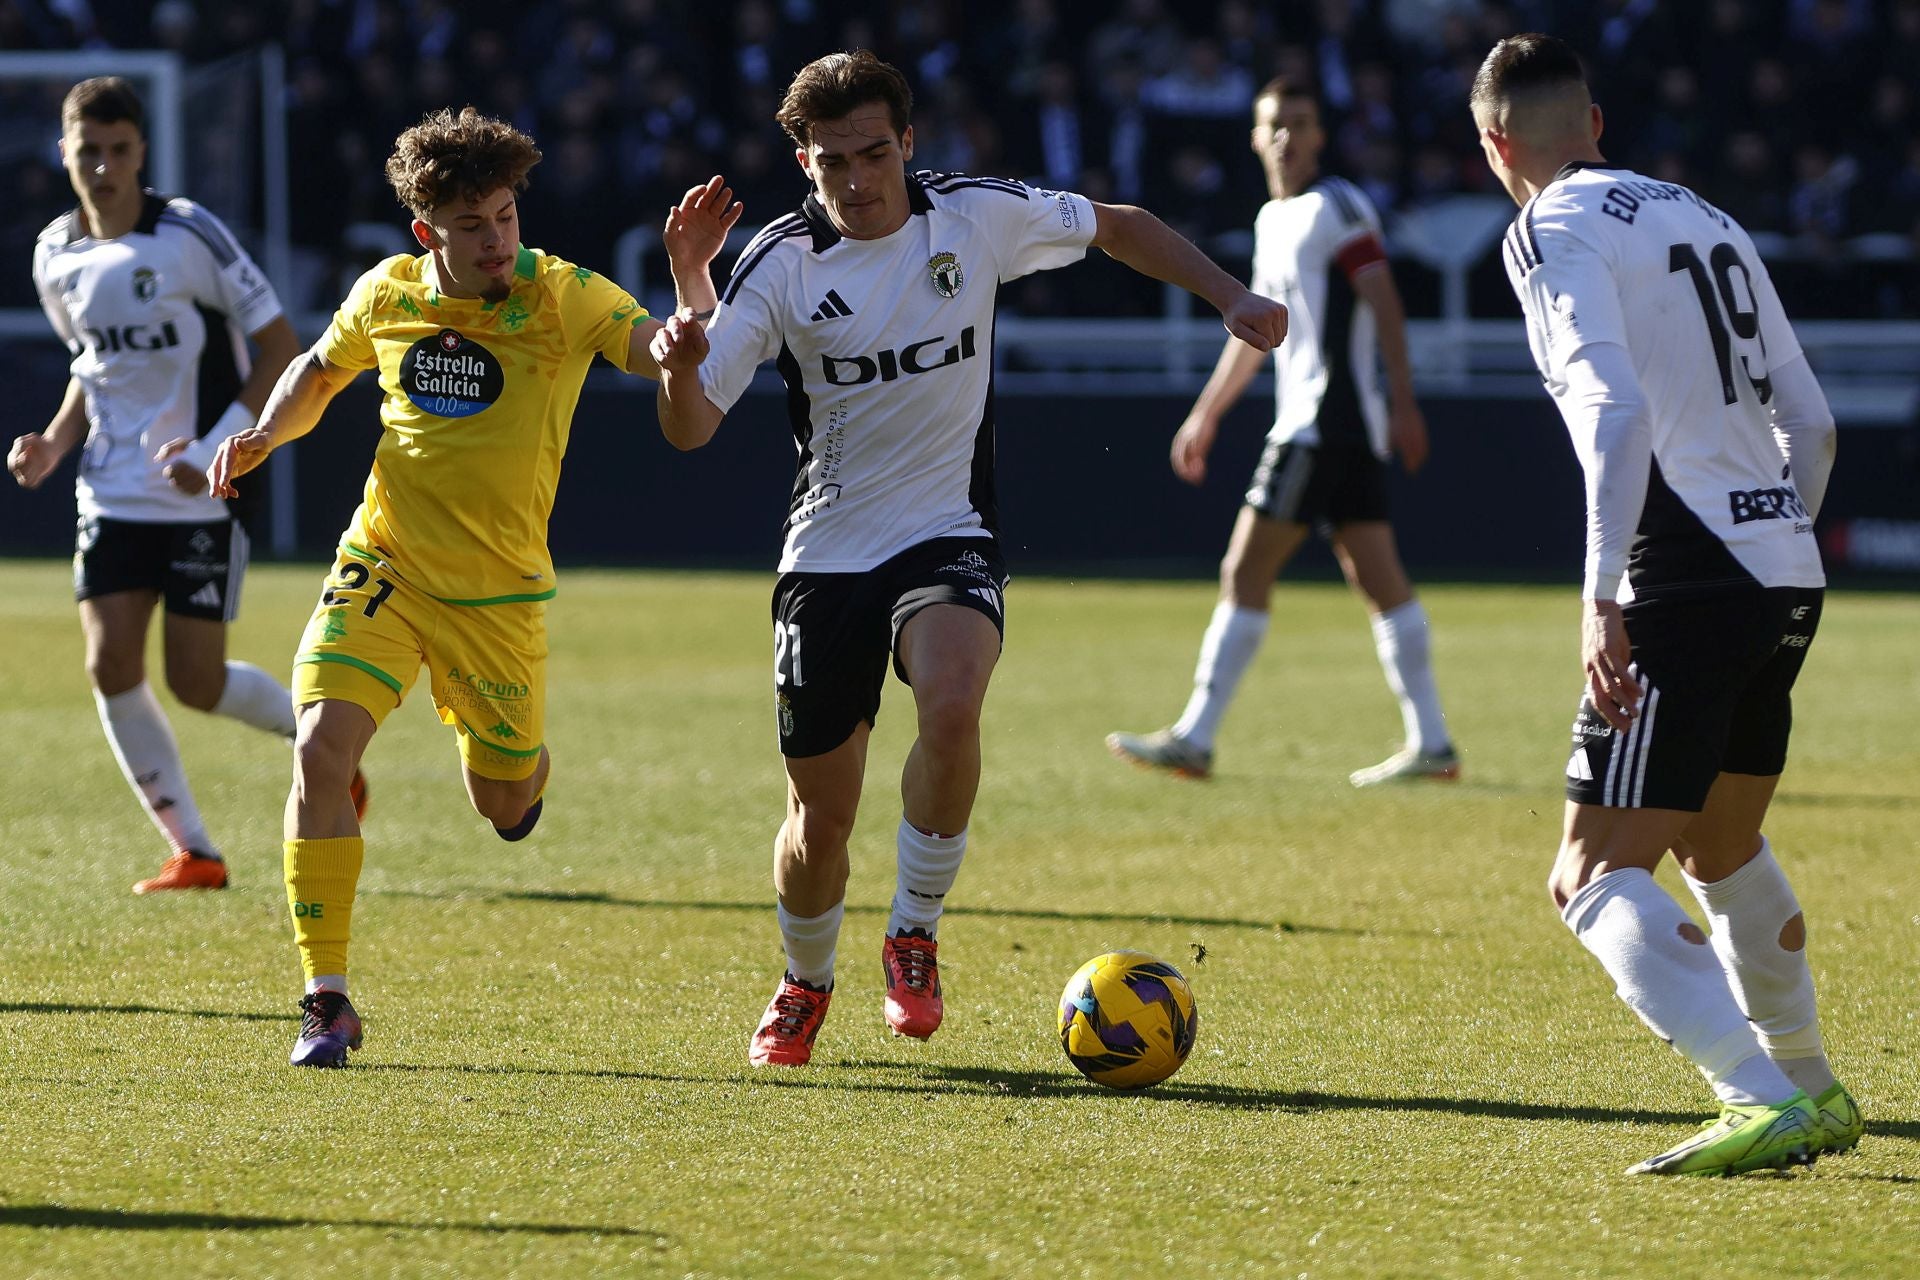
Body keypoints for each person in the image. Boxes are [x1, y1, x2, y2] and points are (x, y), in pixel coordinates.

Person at [651, 50, 1288, 1068]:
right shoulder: (778, 263)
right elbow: (689, 429)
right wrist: (685, 335)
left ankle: (914, 928)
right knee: (819, 820)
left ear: (907, 143)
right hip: (826, 554)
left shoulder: (975, 215)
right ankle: (805, 979)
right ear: (802, 162)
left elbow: (1118, 224)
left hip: (948, 525)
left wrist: (1227, 296)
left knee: (953, 698)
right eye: (830, 163)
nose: (856, 180)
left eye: (872, 153)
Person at [208, 107, 735, 1067]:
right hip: (385, 563)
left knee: (505, 807)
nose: (496, 240)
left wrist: (678, 346)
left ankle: (519, 762)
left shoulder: (566, 297)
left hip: (498, 599)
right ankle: (325, 997)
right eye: (471, 226)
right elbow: (317, 377)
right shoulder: (387, 293)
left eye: (504, 217)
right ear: (426, 233)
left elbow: (672, 384)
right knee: (321, 749)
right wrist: (259, 438)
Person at [1472, 33, 1855, 1175]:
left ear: (1497, 145)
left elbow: (1612, 411)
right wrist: (1772, 533)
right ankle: (1812, 1086)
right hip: (1781, 563)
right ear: (1594, 122)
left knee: (1590, 874)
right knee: (1720, 840)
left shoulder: (1547, 229)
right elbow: (1816, 423)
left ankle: (1753, 1093)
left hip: (1682, 569)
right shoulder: (1704, 214)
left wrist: (1602, 598)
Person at [9, 76, 325, 894]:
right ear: (65, 155)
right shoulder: (54, 253)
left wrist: (217, 447)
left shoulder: (191, 234)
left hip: (201, 491)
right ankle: (196, 850)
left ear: (141, 151)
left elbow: (280, 344)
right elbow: (95, 369)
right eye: (89, 152)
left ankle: (320, 742)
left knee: (197, 682)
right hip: (110, 490)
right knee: (110, 664)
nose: (104, 166)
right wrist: (52, 441)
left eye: (119, 150)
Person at [1106, 76, 1459, 786]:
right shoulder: (1276, 219)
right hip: (1326, 421)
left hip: (1322, 421)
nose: (1289, 137)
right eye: (1278, 124)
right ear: (1257, 137)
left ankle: (1196, 737)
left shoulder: (1338, 206)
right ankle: (1434, 745)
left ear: (1322, 135)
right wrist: (1209, 411)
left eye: (1302, 122)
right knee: (1377, 577)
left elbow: (1384, 300)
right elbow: (1253, 330)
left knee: (1245, 569)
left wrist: (1405, 402)